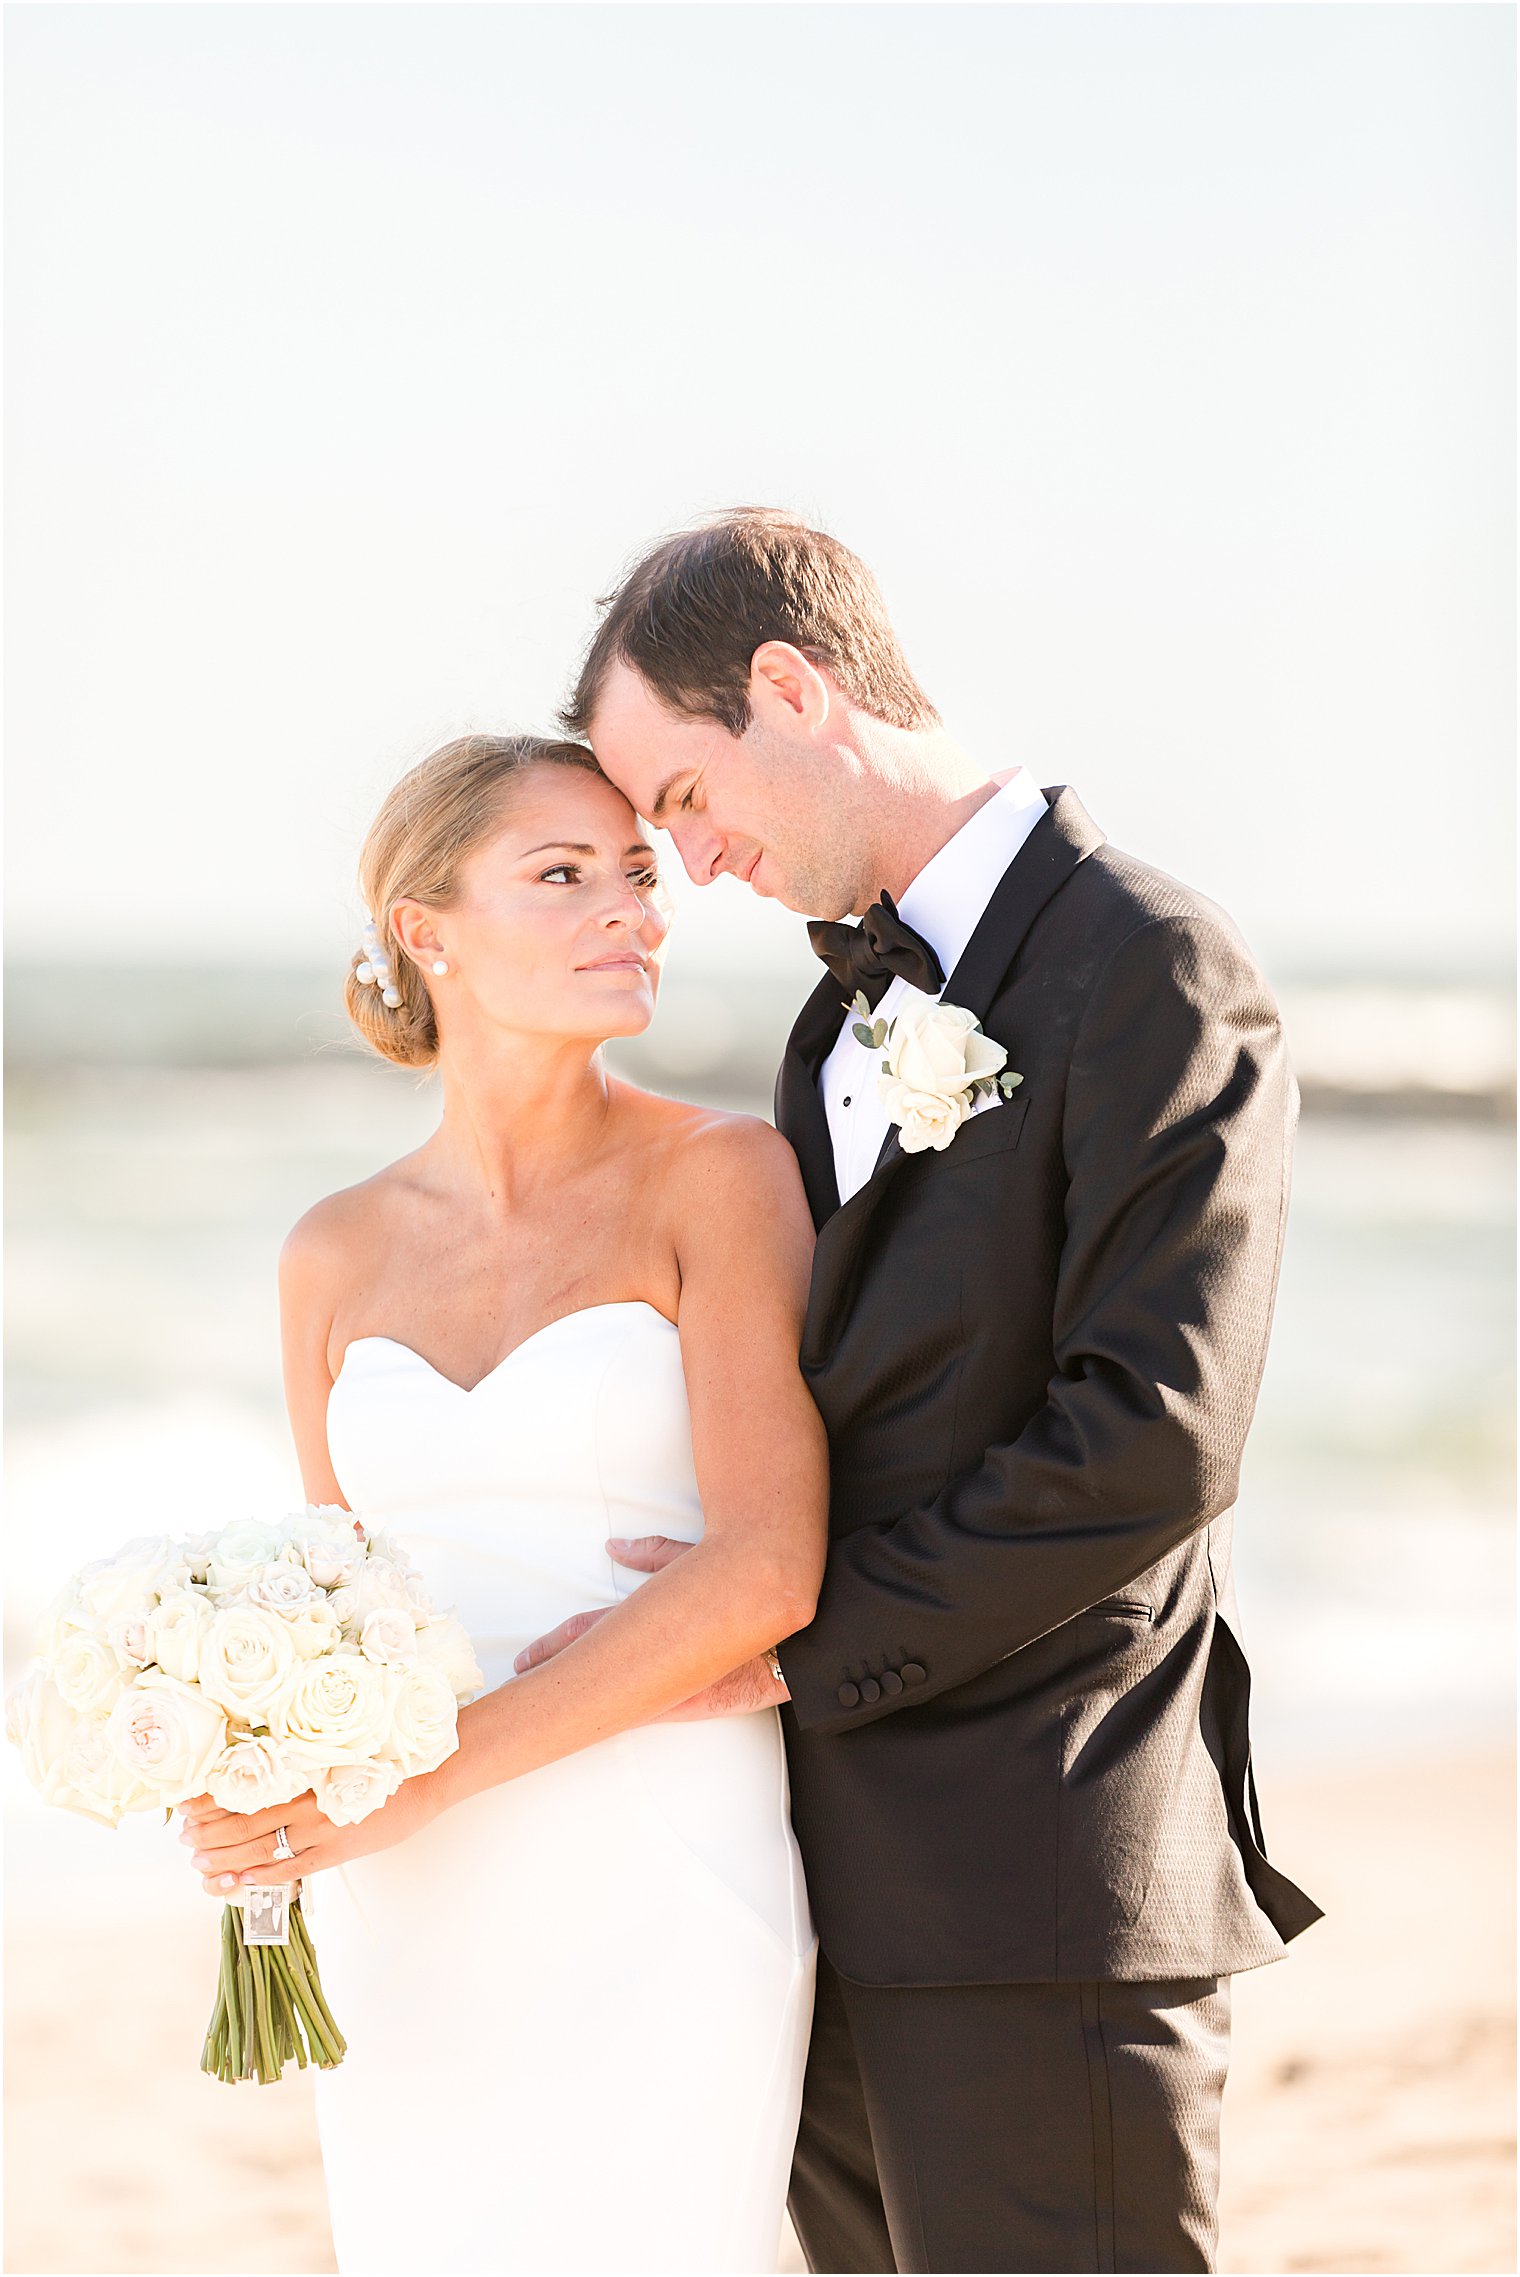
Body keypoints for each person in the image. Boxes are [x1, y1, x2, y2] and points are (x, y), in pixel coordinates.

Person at [530, 509, 1324, 2274]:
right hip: (820, 1887)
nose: (689, 859)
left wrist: (787, 1645)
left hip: (1044, 1873)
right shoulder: (837, 1029)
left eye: (677, 798)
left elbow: (1153, 1437)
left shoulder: (1152, 962)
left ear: (792, 686)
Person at [179, 732, 825, 2275]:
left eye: (639, 876)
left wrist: (431, 1777)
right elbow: (329, 1587)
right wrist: (243, 1764)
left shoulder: (725, 1177)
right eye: (564, 876)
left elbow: (767, 1564)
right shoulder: (330, 1253)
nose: (632, 911)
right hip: (406, 1901)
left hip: (663, 1855)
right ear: (426, 929)